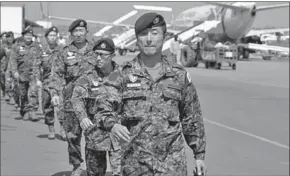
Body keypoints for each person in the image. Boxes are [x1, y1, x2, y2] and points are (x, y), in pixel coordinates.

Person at [97, 12, 207, 176]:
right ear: (137, 38)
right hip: (135, 165)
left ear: (164, 37)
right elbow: (101, 105)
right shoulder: (121, 74)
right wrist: (113, 124)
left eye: (154, 33)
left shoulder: (179, 76)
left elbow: (191, 116)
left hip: (172, 166)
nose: (149, 39)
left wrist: (199, 155)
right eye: (143, 34)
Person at [49, 19, 95, 176]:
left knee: (93, 135)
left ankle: (92, 166)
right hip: (70, 100)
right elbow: (57, 74)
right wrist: (54, 93)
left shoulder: (95, 50)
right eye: (76, 31)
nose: (79, 34)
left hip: (92, 100)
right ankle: (76, 165)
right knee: (73, 136)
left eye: (82, 31)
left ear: (86, 32)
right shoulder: (65, 52)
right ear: (71, 34)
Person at [71, 38, 121, 176]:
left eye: (103, 54)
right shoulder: (88, 77)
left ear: (112, 55)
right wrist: (82, 117)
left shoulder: (124, 75)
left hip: (119, 135)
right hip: (95, 135)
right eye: (96, 54)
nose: (98, 58)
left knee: (122, 172)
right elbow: (76, 98)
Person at [34, 26, 66, 140]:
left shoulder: (62, 50)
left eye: (54, 35)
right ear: (46, 37)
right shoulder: (42, 51)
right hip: (46, 83)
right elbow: (37, 66)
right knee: (47, 106)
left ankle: (63, 129)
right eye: (50, 35)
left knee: (61, 107)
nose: (52, 37)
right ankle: (51, 129)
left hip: (60, 83)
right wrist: (37, 79)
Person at [10, 28, 42, 121]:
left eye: (30, 35)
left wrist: (39, 70)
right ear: (23, 36)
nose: (29, 37)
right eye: (27, 35)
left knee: (33, 92)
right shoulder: (17, 46)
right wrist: (14, 71)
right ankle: (25, 111)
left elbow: (40, 58)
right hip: (21, 74)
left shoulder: (36, 46)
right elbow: (13, 60)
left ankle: (33, 111)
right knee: (22, 94)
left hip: (33, 74)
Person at [2, 31, 16, 104]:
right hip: (7, 67)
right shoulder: (4, 47)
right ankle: (8, 94)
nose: (10, 38)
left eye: (11, 37)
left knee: (15, 83)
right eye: (8, 37)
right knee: (8, 82)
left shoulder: (17, 46)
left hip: (16, 67)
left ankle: (13, 97)